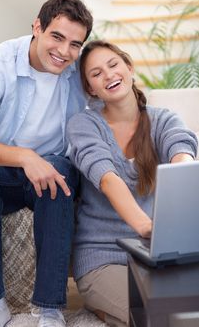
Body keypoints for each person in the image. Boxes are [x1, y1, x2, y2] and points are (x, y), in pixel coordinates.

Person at [0, 0, 93, 327]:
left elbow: (114, 104)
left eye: (75, 44)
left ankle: (49, 309)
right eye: (57, 36)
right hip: (2, 175)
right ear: (37, 27)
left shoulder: (79, 71)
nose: (64, 52)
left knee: (62, 170)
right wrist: (25, 157)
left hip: (52, 173)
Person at [66, 40, 198, 327]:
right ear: (90, 88)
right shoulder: (83, 125)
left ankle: (110, 315)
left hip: (157, 254)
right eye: (96, 73)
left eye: (113, 65)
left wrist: (183, 185)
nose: (109, 75)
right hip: (103, 256)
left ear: (129, 68)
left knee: (187, 312)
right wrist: (147, 227)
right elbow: (108, 179)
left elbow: (182, 154)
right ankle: (102, 309)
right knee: (163, 318)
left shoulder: (163, 120)